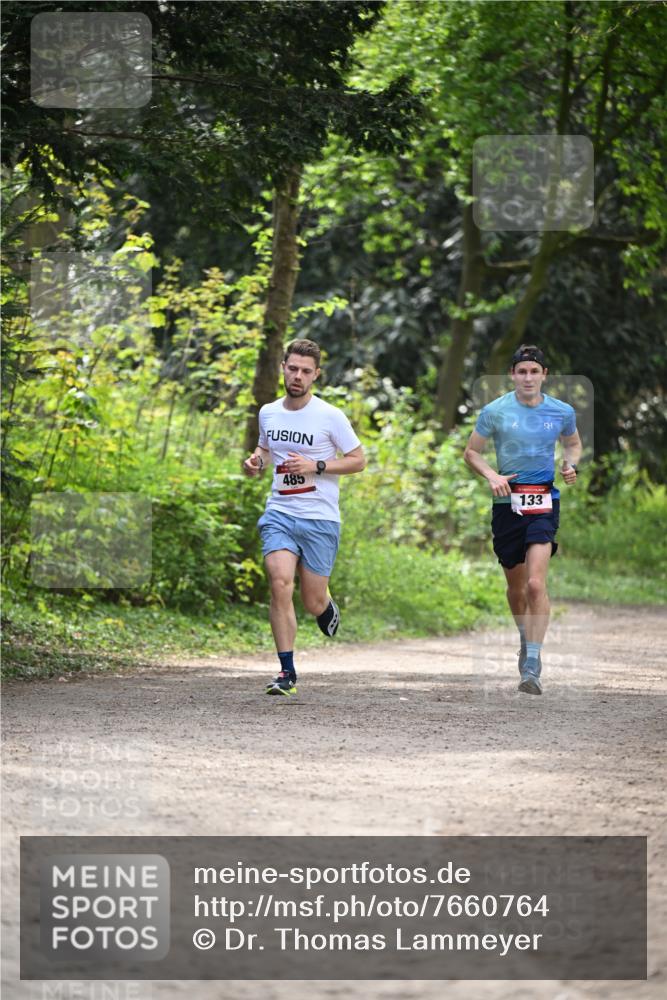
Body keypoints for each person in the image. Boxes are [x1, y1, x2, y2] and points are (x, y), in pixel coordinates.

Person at [242, 339, 366, 696]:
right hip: (280, 511)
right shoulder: (268, 412)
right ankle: (286, 671)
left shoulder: (330, 416)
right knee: (280, 583)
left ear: (316, 375)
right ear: (283, 367)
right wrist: (256, 461)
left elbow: (358, 460)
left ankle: (324, 602)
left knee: (312, 601)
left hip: (320, 518)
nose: (298, 376)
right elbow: (266, 448)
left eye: (305, 371)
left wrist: (316, 466)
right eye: (293, 368)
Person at [463, 344, 582, 695]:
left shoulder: (561, 411)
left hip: (544, 502)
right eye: (522, 372)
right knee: (516, 589)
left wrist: (570, 464)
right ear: (512, 375)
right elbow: (471, 452)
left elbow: (573, 444)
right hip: (507, 505)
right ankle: (523, 635)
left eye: (534, 372)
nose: (528, 378)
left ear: (544, 375)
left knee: (534, 585)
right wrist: (491, 476)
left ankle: (532, 661)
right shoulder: (495, 411)